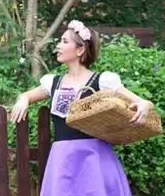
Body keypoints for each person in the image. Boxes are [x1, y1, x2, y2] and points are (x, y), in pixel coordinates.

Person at [10, 20, 155, 196]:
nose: (58, 46)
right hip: (62, 159)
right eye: (60, 41)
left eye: (64, 41)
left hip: (94, 159)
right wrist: (23, 100)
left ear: (80, 50)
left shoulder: (101, 81)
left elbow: (143, 102)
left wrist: (145, 105)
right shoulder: (53, 82)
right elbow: (26, 95)